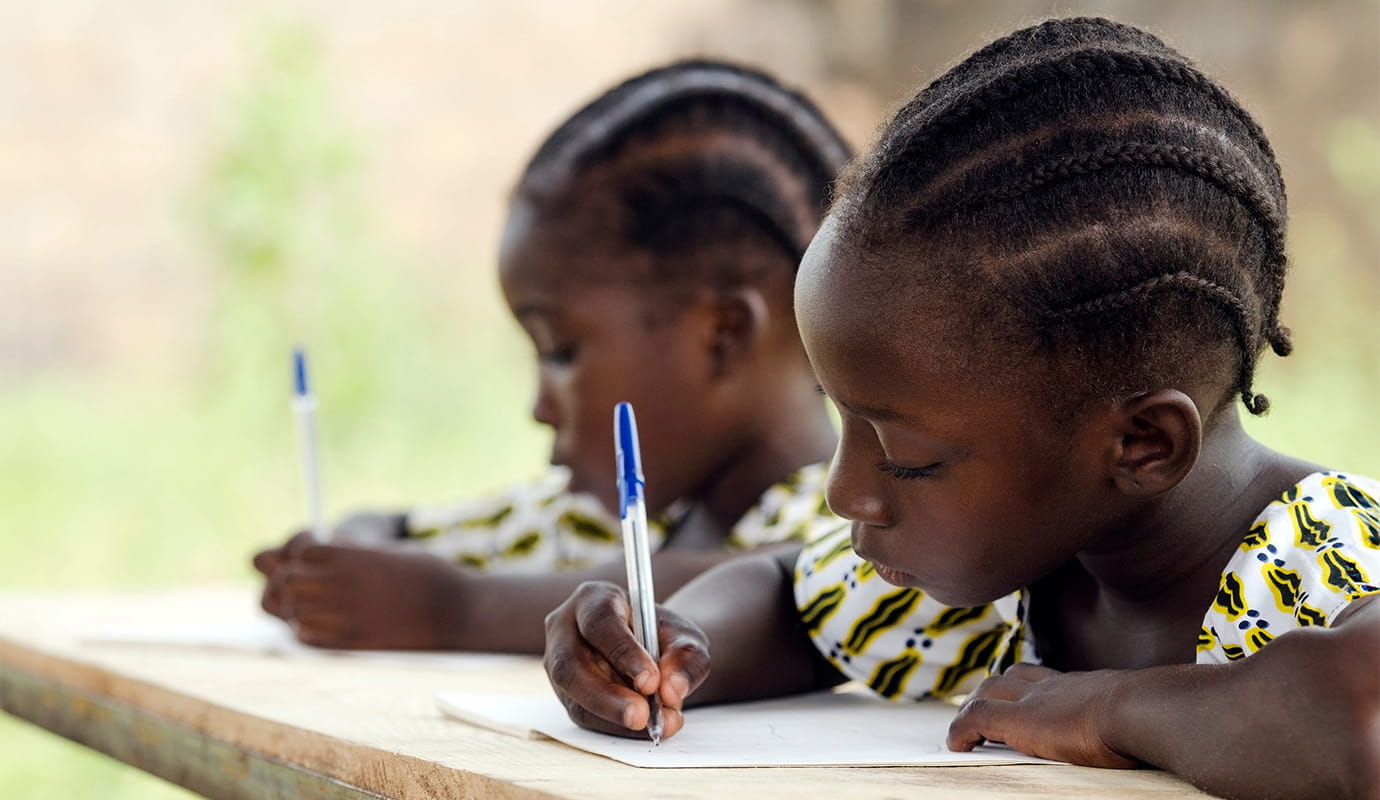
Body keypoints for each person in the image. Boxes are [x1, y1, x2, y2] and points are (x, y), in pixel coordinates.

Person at [541, 19, 1379, 799]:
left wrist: (1096, 710)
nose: (845, 494)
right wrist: (669, 648)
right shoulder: (1015, 570)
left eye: (909, 458)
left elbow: (1358, 725)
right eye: (842, 422)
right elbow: (786, 598)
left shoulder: (1332, 561)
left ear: (1141, 443)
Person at [252, 59, 852, 654]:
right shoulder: (585, 523)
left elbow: (767, 586)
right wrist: (343, 561)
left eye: (562, 353)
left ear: (721, 336)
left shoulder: (854, 530)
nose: (539, 408)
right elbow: (398, 529)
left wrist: (456, 610)